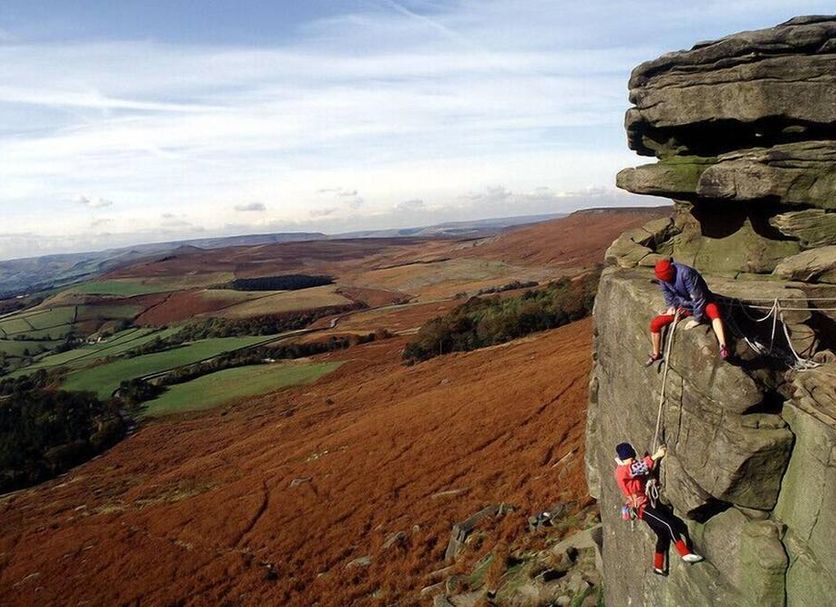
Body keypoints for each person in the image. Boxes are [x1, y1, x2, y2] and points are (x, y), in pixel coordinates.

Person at [614, 442, 703, 575]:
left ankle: (658, 566)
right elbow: (638, 467)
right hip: (642, 507)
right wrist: (657, 455)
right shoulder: (621, 471)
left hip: (645, 504)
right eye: (630, 459)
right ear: (623, 459)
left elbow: (639, 472)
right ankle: (685, 553)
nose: (633, 461)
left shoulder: (628, 469)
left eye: (633, 458)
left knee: (662, 535)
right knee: (669, 524)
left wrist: (650, 479)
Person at [646, 258, 729, 366]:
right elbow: (667, 293)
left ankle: (723, 345)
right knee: (655, 324)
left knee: (713, 310)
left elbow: (698, 298)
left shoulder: (686, 273)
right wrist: (671, 307)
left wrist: (697, 319)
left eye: (667, 279)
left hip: (703, 303)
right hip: (683, 307)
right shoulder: (663, 278)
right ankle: (656, 353)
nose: (665, 281)